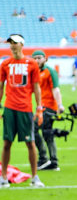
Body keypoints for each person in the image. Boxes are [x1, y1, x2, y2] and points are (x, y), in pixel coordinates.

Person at [0, 34, 44, 188]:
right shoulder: (5, 64)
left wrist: (39, 107)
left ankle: (34, 177)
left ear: (22, 44)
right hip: (9, 108)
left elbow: (37, 88)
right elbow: (1, 86)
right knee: (6, 143)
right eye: (10, 43)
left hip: (25, 109)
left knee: (30, 143)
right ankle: (4, 177)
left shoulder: (32, 64)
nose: (12, 46)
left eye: (15, 43)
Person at [31, 50, 64, 171]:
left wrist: (60, 105)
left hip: (49, 107)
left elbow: (56, 89)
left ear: (45, 59)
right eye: (34, 58)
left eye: (39, 58)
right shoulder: (35, 72)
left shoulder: (50, 71)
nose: (37, 60)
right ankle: (52, 161)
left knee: (34, 130)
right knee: (47, 133)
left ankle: (44, 159)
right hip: (41, 107)